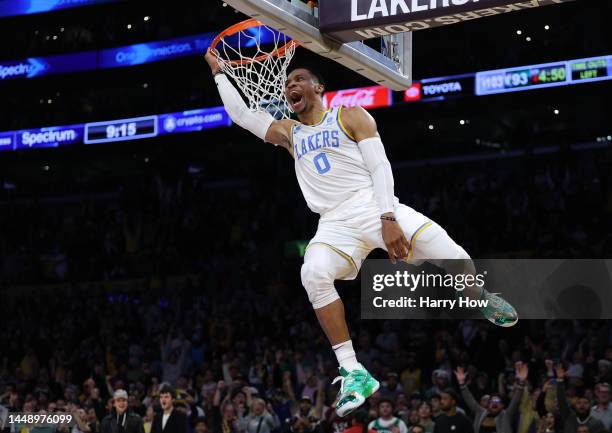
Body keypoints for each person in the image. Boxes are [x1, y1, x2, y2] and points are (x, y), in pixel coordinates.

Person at [204, 49, 518, 417]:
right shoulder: (289, 133)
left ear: (318, 87)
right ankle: (353, 370)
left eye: (299, 79)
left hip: (372, 203)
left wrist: (388, 216)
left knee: (455, 256)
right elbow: (241, 115)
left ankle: (476, 294)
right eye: (288, 82)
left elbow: (380, 165)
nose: (291, 85)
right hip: (333, 223)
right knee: (313, 273)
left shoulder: (350, 115)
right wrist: (219, 73)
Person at [455, 363, 526, 433]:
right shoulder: (480, 412)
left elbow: (515, 401)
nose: (494, 404)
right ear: (488, 405)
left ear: (502, 406)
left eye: (497, 402)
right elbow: (469, 400)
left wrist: (521, 382)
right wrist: (462, 383)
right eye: (492, 401)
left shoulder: (506, 415)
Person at [555, 365, 604, 433]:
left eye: (585, 403)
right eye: (579, 403)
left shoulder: (597, 424)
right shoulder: (569, 417)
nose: (582, 405)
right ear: (575, 406)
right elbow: (561, 401)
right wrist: (560, 380)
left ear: (590, 405)